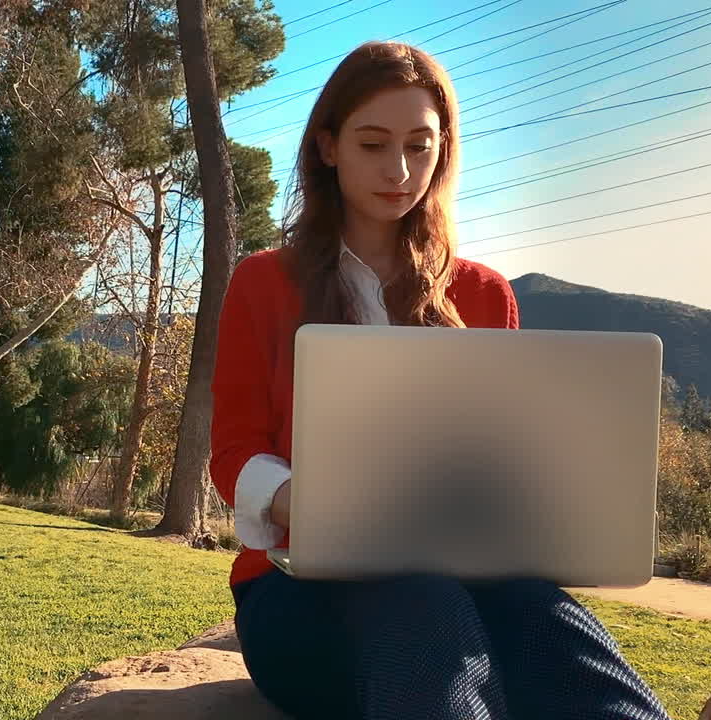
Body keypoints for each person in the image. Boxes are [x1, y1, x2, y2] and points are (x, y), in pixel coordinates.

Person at [209, 41, 672, 720]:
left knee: (551, 622)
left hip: (471, 586)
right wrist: (307, 504)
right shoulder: (262, 283)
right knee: (422, 598)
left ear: (443, 150)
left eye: (419, 146)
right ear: (329, 147)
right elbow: (233, 454)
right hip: (298, 596)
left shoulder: (485, 295)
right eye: (373, 144)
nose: (399, 170)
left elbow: (499, 460)